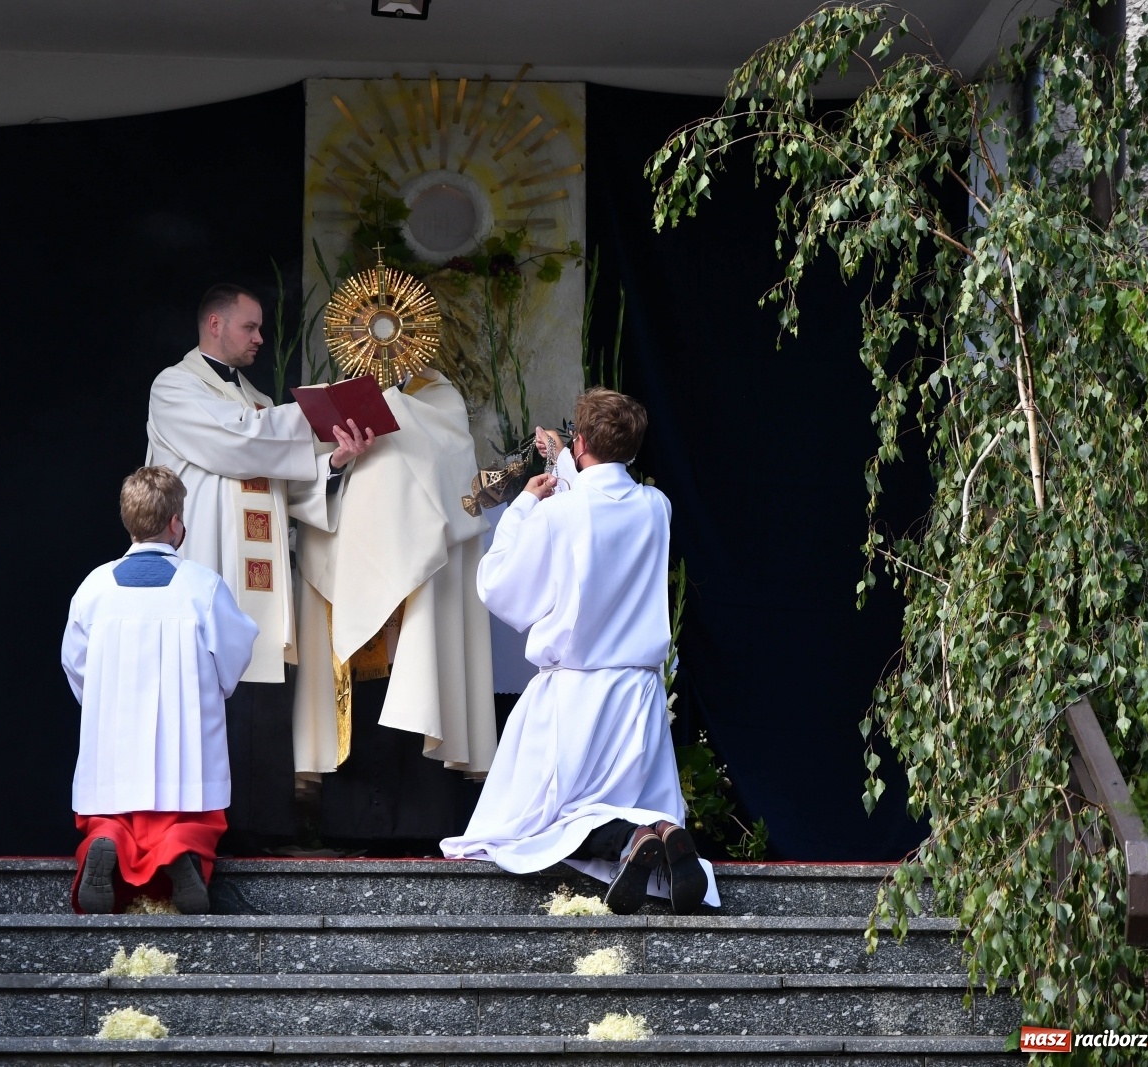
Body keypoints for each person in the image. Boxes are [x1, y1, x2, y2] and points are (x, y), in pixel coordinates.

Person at [441, 388, 719, 915]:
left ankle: (633, 839)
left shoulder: (557, 514)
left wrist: (526, 501)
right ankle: (660, 828)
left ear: (581, 440)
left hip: (577, 691)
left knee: (532, 819)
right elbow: (604, 493)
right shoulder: (657, 508)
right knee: (620, 796)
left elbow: (499, 585)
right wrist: (567, 461)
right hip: (637, 694)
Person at [146, 284, 373, 844]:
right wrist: (316, 415)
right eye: (250, 327)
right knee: (213, 691)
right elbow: (235, 442)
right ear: (215, 324)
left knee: (264, 692)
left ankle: (265, 826)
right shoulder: (174, 387)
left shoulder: (260, 402)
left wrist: (334, 465)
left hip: (263, 577)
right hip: (207, 562)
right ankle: (206, 828)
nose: (260, 338)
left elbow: (283, 489)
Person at [291, 365, 498, 841]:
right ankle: (351, 826)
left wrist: (394, 409)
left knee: (420, 688)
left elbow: (453, 470)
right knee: (362, 708)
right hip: (349, 575)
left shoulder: (439, 399)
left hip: (421, 585)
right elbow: (303, 486)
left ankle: (423, 826)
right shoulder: (337, 401)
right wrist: (341, 457)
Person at [61, 466, 258, 914]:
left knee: (111, 811)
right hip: (183, 735)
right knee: (187, 816)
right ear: (175, 522)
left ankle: (106, 839)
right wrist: (214, 690)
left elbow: (75, 664)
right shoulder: (201, 586)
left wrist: (100, 703)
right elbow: (233, 653)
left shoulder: (93, 587)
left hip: (112, 735)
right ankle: (179, 851)